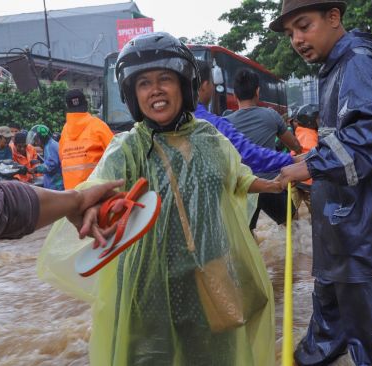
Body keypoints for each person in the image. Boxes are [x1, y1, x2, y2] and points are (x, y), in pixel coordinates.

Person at [38, 32, 278, 366]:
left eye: (165, 78)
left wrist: (270, 185)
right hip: (148, 284)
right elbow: (97, 187)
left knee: (217, 355)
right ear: (133, 95)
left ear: (184, 84)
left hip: (211, 270)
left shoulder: (210, 137)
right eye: (144, 83)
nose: (156, 90)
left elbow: (234, 177)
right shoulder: (128, 148)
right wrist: (87, 204)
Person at [271, 1, 372, 365]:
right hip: (345, 237)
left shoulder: (357, 63)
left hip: (369, 243)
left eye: (303, 26)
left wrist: (311, 164)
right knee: (328, 334)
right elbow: (347, 138)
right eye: (290, 34)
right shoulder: (335, 68)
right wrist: (309, 163)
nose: (297, 40)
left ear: (334, 18)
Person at [226, 68, 302, 230]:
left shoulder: (225, 123)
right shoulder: (271, 115)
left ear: (235, 95)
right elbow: (295, 146)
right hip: (273, 184)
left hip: (244, 187)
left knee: (247, 234)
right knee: (294, 226)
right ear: (258, 91)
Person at [193, 59, 295, 175]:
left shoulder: (225, 120)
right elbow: (249, 154)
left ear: (235, 95)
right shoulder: (215, 125)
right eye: (212, 83)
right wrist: (292, 160)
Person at [59, 88, 114, 190]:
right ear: (86, 104)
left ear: (67, 107)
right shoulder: (98, 126)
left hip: (72, 194)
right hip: (95, 193)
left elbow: (61, 158)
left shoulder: (64, 132)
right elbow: (116, 155)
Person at [27, 124, 63, 190]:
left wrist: (35, 169)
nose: (36, 143)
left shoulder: (50, 147)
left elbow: (50, 165)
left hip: (56, 186)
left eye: (36, 140)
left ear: (42, 137)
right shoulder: (50, 144)